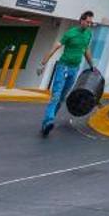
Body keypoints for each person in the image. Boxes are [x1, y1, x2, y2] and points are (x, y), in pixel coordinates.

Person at [37, 10, 98, 138]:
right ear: (81, 20)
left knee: (62, 97)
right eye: (88, 22)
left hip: (74, 70)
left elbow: (86, 50)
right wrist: (43, 64)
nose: (89, 24)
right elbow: (55, 47)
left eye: (91, 23)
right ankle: (48, 121)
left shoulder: (88, 34)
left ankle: (49, 120)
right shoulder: (70, 33)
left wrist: (92, 65)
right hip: (63, 67)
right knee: (56, 95)